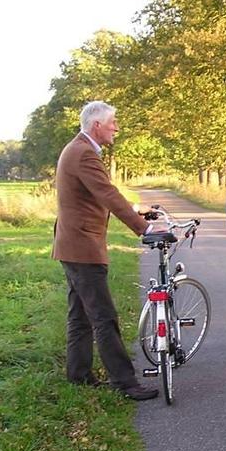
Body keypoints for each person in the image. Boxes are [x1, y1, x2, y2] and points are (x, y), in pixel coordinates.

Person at [52, 101, 160, 401]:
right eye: (113, 122)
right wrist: (144, 228)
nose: (117, 127)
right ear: (96, 125)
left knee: (80, 315)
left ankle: (78, 374)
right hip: (82, 247)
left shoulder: (76, 149)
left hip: (72, 244)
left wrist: (137, 208)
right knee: (103, 316)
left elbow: (99, 192)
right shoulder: (84, 153)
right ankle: (125, 382)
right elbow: (106, 194)